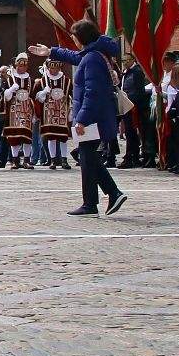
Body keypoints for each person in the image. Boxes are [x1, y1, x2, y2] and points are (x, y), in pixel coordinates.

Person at [31, 21, 127, 218]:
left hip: (93, 118)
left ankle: (105, 196)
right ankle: (97, 199)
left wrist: (81, 119)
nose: (72, 39)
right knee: (87, 157)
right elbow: (75, 57)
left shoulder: (92, 59)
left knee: (87, 156)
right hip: (95, 116)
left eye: (74, 36)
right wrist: (51, 51)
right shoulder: (92, 54)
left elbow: (92, 93)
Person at [35, 56, 73, 170]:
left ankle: (64, 159)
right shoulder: (42, 81)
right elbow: (35, 97)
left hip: (62, 111)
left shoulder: (67, 81)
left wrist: (72, 110)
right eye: (52, 68)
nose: (54, 70)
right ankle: (52, 160)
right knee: (51, 137)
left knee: (63, 137)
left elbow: (72, 96)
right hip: (49, 113)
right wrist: (43, 92)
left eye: (56, 68)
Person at [1, 54, 37, 169]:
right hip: (13, 110)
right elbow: (4, 96)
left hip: (26, 110)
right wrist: (11, 89)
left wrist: (34, 113)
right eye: (20, 66)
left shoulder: (30, 80)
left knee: (27, 136)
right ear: (16, 65)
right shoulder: (9, 79)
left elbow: (32, 96)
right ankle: (15, 160)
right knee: (14, 136)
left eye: (25, 66)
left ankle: (26, 160)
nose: (22, 68)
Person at [118, 54, 153, 168]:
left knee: (134, 132)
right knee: (129, 133)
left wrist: (130, 100)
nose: (124, 63)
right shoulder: (125, 72)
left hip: (135, 107)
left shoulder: (137, 72)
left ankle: (133, 157)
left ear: (133, 60)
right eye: (123, 61)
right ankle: (132, 156)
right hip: (127, 105)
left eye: (127, 60)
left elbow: (139, 90)